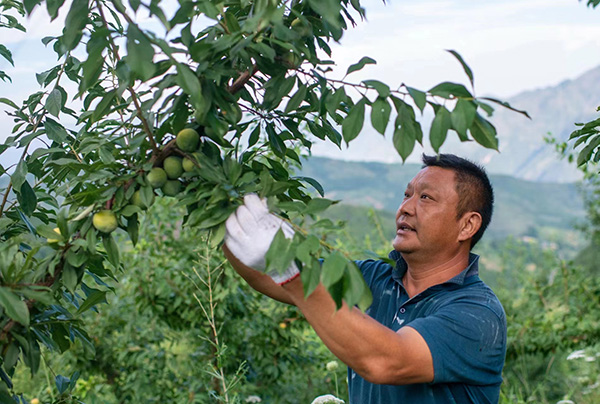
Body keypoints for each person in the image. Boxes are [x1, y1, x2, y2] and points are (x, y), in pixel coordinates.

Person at [223, 153, 507, 403]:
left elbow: (386, 361)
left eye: (426, 198)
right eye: (406, 195)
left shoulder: (478, 314)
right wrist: (223, 216)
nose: (406, 208)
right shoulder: (372, 279)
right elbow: (266, 277)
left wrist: (292, 273)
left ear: (467, 225)